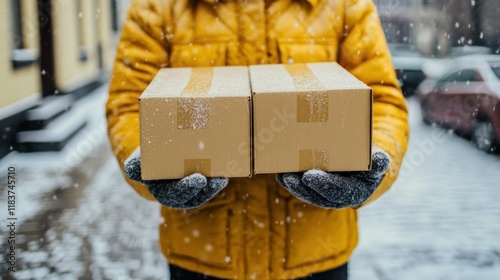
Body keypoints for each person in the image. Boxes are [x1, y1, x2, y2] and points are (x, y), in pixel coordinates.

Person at [106, 0, 409, 279]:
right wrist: (151, 160)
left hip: (316, 257)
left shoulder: (344, 4)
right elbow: (129, 105)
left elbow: (381, 100)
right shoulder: (159, 6)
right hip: (202, 259)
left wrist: (370, 159)